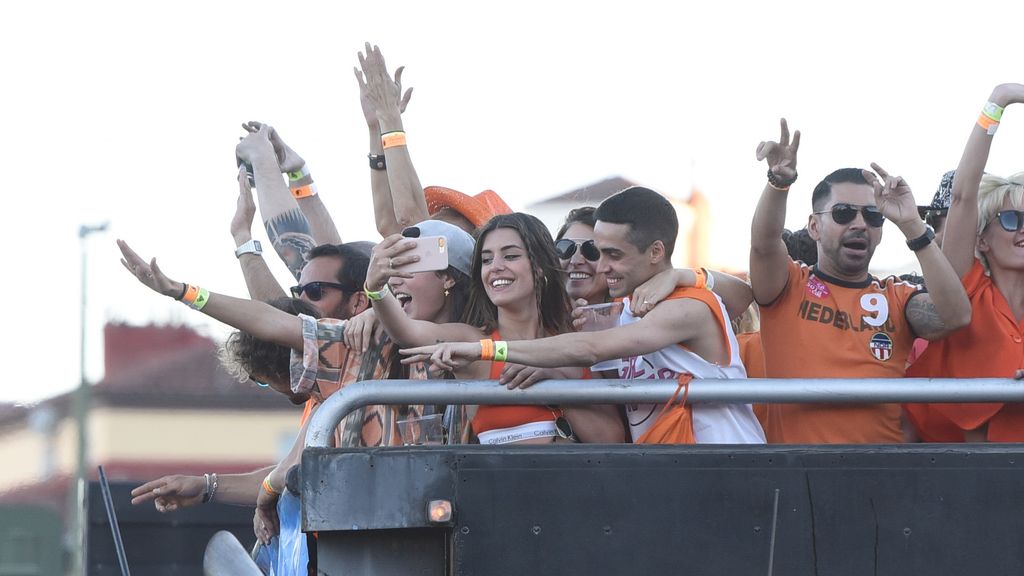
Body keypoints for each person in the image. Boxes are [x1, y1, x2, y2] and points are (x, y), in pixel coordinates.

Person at [400, 187, 766, 444]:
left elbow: (590, 348)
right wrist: (378, 298)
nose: (598, 266)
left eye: (609, 254)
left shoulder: (687, 305)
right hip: (669, 473)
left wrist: (487, 351)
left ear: (655, 251)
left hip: (725, 464)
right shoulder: (618, 313)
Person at [748, 118, 971, 444]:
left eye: (872, 216)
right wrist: (779, 183)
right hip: (800, 477)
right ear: (814, 227)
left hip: (881, 479)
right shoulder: (788, 285)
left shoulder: (897, 296)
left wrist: (912, 225)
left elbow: (956, 316)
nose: (859, 224)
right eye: (842, 213)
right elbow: (763, 244)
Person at [366, 212, 625, 444]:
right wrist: (376, 289)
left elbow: (612, 439)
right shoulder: (473, 341)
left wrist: (555, 381)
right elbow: (407, 332)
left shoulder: (575, 338)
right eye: (487, 260)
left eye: (510, 256)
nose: (496, 267)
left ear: (539, 267)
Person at [905, 83, 1024, 442]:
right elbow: (962, 195)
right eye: (1011, 219)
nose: (1023, 230)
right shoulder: (966, 286)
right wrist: (1000, 100)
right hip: (956, 473)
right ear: (981, 239)